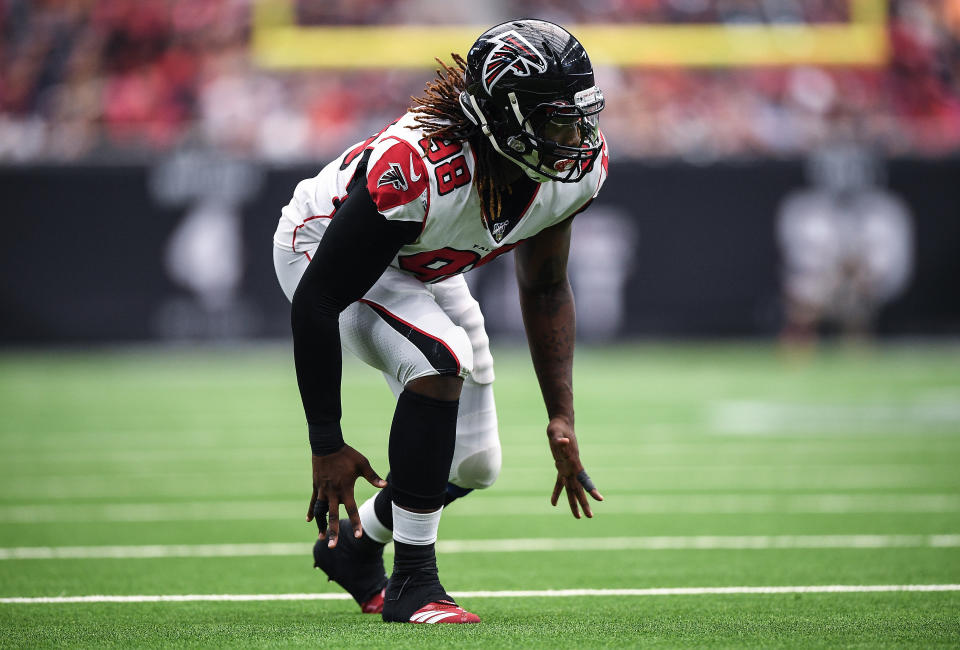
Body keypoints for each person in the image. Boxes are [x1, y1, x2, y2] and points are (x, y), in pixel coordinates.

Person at [273, 19, 608, 624]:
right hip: (319, 248)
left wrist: (561, 413)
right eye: (555, 118)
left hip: (416, 258)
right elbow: (320, 298)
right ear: (502, 117)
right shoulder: (421, 166)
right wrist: (326, 443)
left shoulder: (572, 172)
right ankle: (414, 585)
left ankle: (357, 547)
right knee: (441, 358)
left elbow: (546, 283)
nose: (575, 135)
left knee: (475, 462)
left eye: (579, 115)